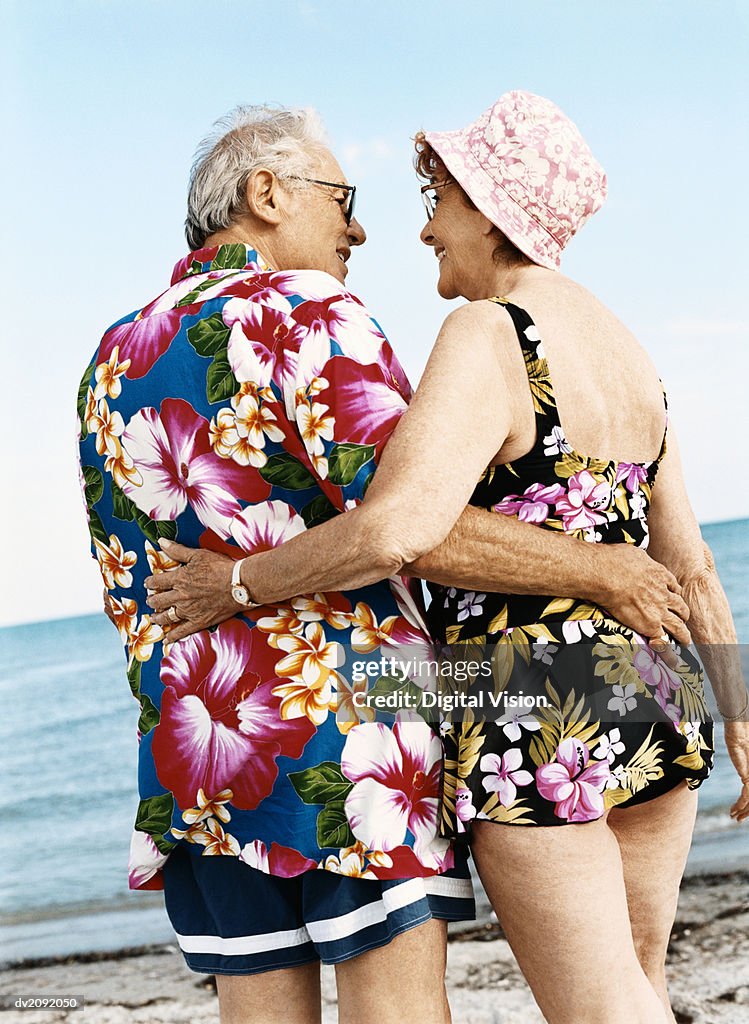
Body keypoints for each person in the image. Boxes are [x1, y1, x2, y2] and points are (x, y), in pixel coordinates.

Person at [146, 93, 749, 1024]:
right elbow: (694, 568)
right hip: (656, 692)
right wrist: (740, 721)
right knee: (641, 986)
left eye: (439, 198)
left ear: (488, 206)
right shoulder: (629, 355)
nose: (423, 226)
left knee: (601, 1010)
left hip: (527, 697)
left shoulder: (488, 332)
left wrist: (236, 582)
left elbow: (397, 529)